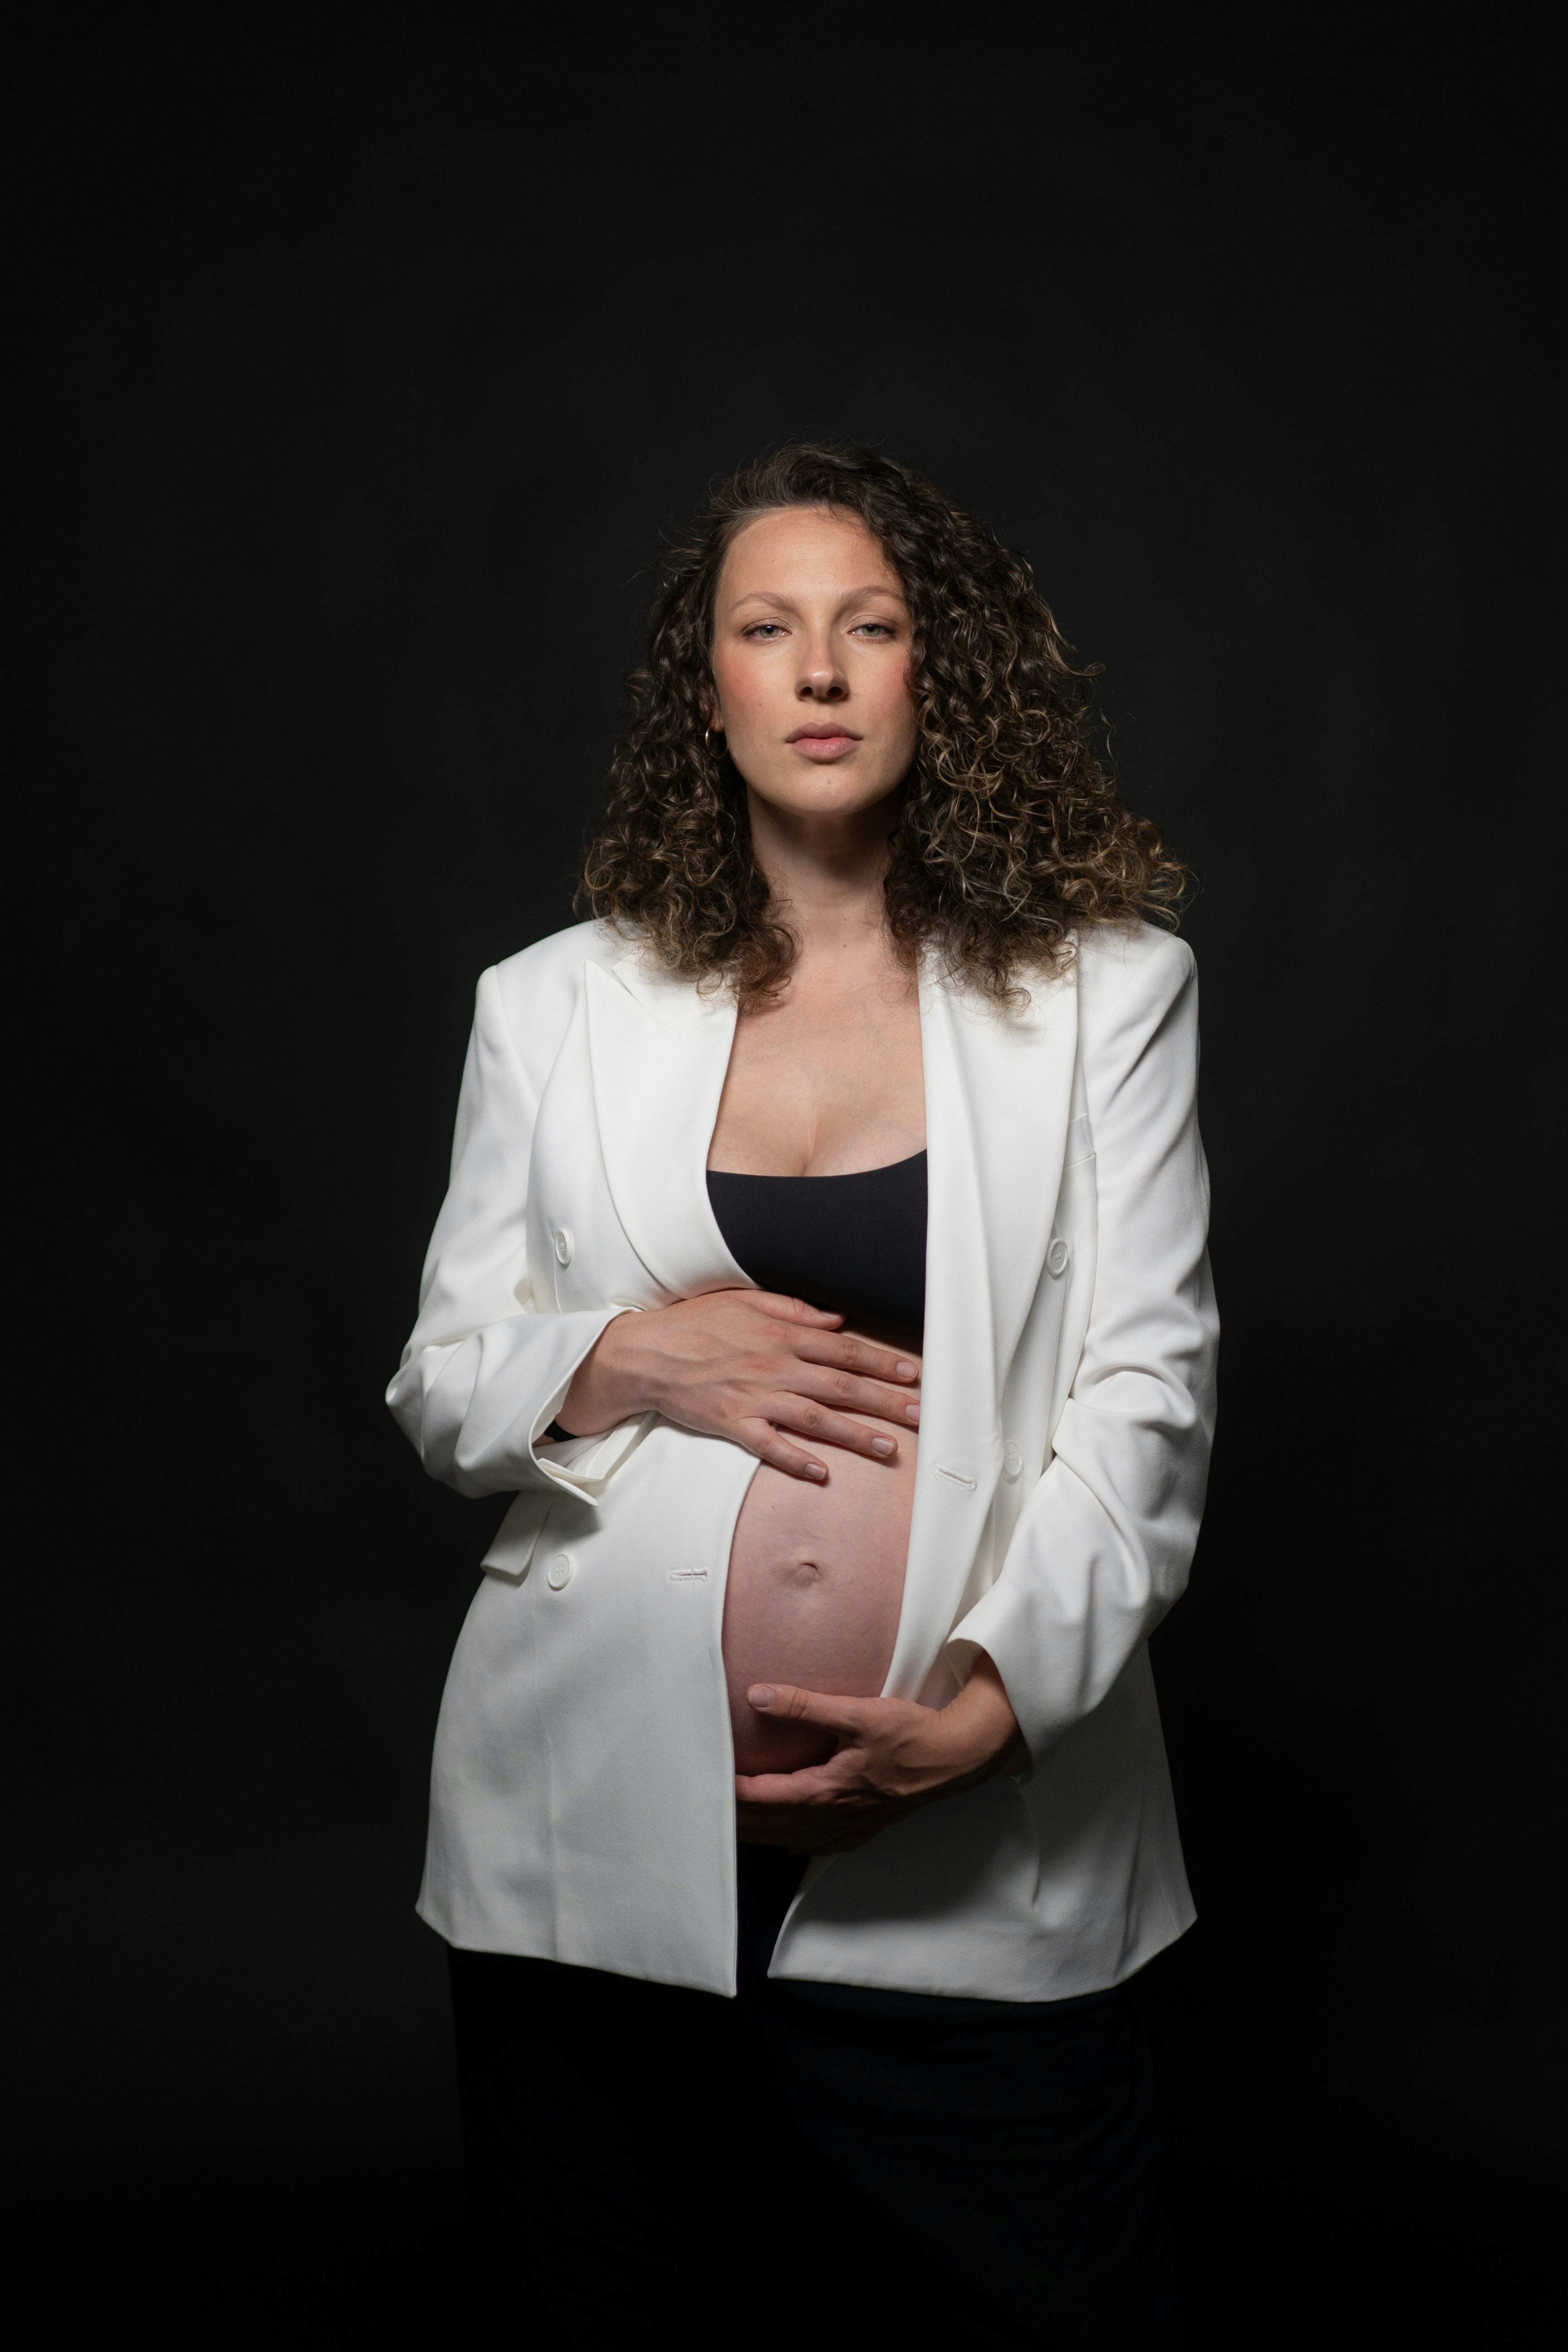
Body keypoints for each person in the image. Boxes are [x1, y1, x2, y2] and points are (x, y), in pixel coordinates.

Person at [387, 444, 1217, 2347]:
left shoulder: (1110, 991)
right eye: (769, 630)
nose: (821, 671)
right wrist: (617, 1351)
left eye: (871, 625)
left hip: (983, 1829)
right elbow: (445, 1380)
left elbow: (1145, 1389)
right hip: (589, 1819)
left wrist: (991, 1712)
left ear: (939, 673)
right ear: (712, 693)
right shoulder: (554, 1003)